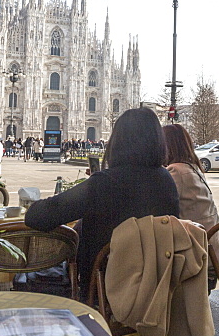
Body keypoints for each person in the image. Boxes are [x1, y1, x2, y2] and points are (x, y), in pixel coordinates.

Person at [25, 108, 180, 299]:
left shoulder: (105, 182)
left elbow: (37, 217)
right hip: (154, 288)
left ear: (118, 142)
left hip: (104, 289)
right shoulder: (166, 180)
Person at [162, 124, 219, 268]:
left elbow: (162, 208)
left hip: (199, 252)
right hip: (216, 245)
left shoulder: (176, 171)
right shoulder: (192, 167)